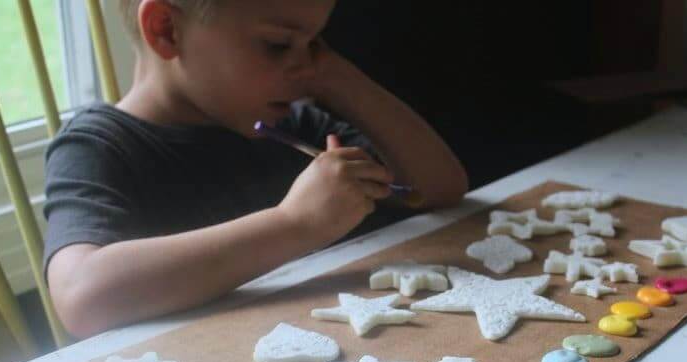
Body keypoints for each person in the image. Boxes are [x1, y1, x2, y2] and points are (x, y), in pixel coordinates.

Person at [44, 0, 468, 339]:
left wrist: (338, 78)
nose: (306, 67)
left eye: (317, 44)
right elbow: (83, 296)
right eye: (280, 45)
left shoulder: (291, 127)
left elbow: (441, 186)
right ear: (166, 30)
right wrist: (295, 223)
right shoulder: (100, 145)